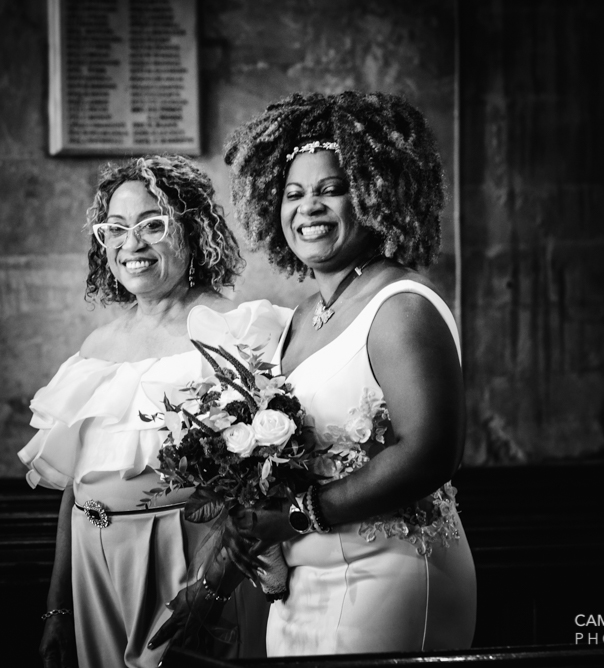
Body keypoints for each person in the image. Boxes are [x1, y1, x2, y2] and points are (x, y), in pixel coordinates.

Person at [223, 91, 477, 655]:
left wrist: (293, 516)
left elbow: (432, 452)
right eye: (293, 194)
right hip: (300, 585)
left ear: (373, 194)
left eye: (330, 190)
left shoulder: (401, 304)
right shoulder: (299, 318)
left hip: (388, 573)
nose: (307, 207)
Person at [18, 155, 287, 668]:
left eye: (152, 225)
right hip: (91, 563)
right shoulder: (96, 346)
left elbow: (266, 483)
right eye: (115, 229)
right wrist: (57, 606)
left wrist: (209, 586)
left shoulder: (235, 330)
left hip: (189, 559)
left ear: (194, 229)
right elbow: (77, 485)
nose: (131, 243)